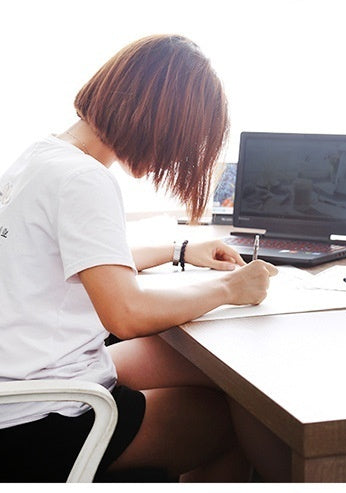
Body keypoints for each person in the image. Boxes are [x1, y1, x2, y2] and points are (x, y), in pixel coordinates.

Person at [0, 34, 278, 482]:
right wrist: (231, 287)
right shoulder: (83, 179)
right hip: (40, 418)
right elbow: (126, 313)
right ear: (157, 121)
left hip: (22, 384)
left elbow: (82, 259)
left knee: (213, 376)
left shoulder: (42, 157)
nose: (175, 158)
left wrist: (182, 250)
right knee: (226, 421)